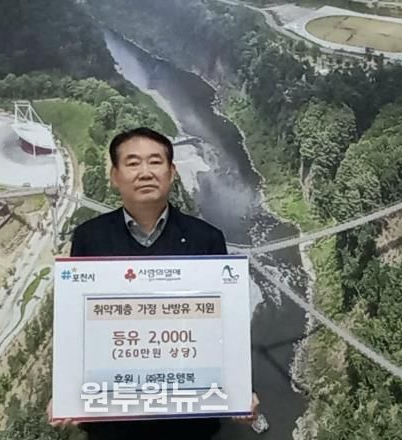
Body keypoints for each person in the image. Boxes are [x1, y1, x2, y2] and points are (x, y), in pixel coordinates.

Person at [47, 127, 259, 439]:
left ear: (172, 172)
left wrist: (240, 389)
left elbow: (223, 326)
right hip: (114, 422)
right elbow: (78, 323)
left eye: (155, 162)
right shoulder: (90, 237)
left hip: (188, 422)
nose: (145, 172)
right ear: (115, 176)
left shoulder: (206, 238)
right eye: (133, 163)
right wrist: (67, 391)